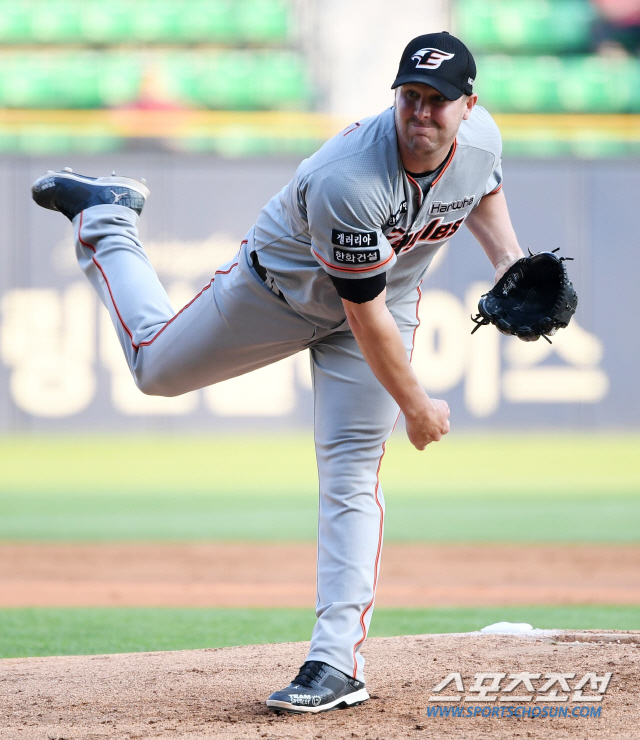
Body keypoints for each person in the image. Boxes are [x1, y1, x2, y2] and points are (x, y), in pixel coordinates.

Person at [32, 31, 524, 714]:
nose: (420, 112)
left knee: (351, 469)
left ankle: (335, 663)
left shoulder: (483, 140)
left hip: (386, 301)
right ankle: (107, 218)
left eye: (437, 101)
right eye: (410, 95)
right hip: (274, 295)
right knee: (152, 370)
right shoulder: (349, 176)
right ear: (395, 96)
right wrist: (414, 404)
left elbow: (482, 189)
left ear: (468, 106)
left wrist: (508, 264)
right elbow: (364, 316)